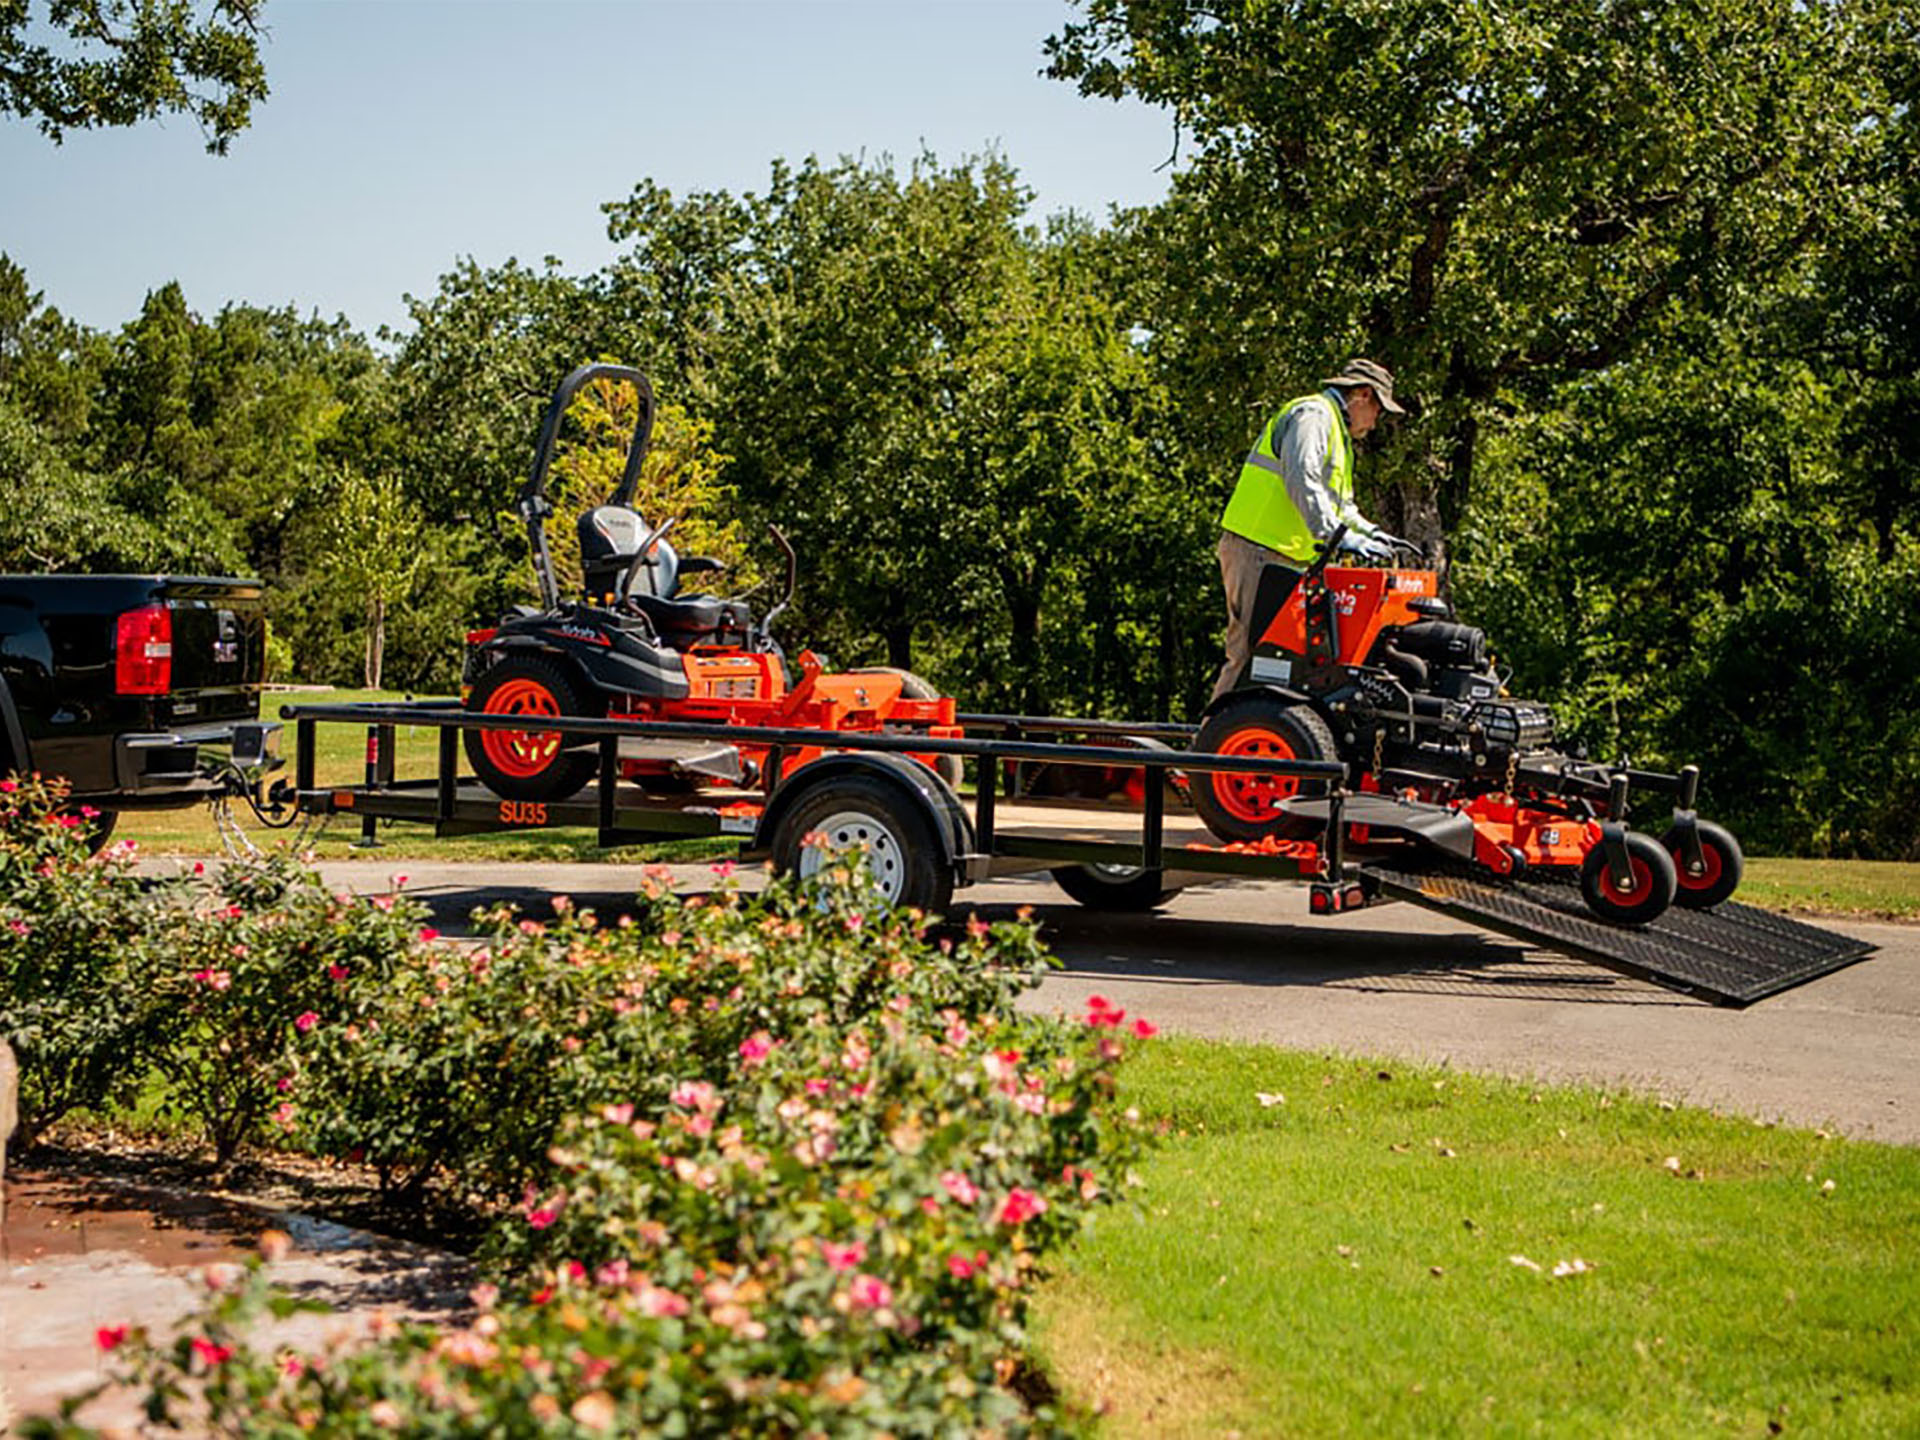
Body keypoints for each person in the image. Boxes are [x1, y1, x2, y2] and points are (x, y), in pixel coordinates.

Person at [1210, 357, 1406, 701]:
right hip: (1258, 548)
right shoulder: (1313, 416)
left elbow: (1340, 505)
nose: (1376, 422)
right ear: (1362, 395)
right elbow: (1302, 479)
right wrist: (1337, 537)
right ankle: (1218, 743)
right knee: (1252, 655)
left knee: (1288, 660)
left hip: (1283, 554)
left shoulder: (1336, 433)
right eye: (1378, 410)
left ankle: (1264, 740)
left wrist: (1370, 532)